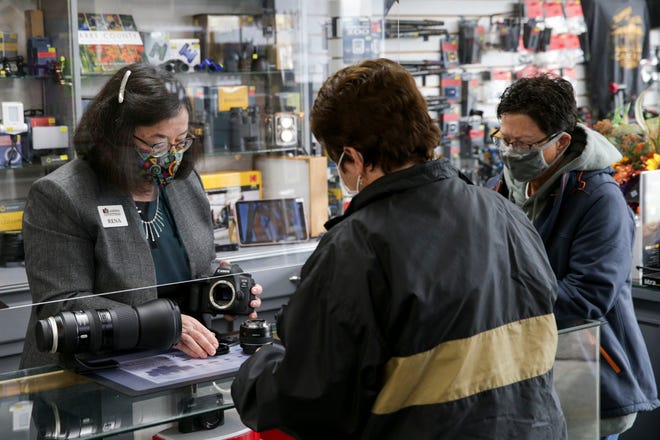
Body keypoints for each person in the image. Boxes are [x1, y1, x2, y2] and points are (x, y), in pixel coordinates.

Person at [231, 58, 567, 439]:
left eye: (337, 161)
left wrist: (255, 372)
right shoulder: (505, 213)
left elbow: (309, 400)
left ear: (354, 157)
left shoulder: (357, 246)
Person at [20, 63, 262, 369]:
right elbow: (62, 304)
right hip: (89, 377)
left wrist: (224, 292)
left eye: (181, 141)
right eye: (158, 143)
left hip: (176, 370)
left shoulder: (184, 184)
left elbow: (194, 267)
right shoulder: (61, 195)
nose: (172, 155)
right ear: (117, 137)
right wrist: (165, 326)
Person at [487, 74, 659, 440]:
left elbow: (587, 297)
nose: (511, 152)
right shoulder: (498, 187)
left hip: (589, 376)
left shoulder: (600, 200)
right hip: (522, 378)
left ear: (562, 141)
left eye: (524, 144)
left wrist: (498, 299)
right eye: (506, 140)